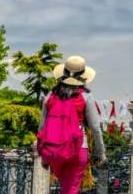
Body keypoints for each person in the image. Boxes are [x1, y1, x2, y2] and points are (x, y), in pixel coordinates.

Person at [36, 56, 106, 194]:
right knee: (70, 190)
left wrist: (44, 156)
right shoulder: (86, 97)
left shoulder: (51, 95)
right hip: (77, 148)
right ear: (83, 76)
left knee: (67, 189)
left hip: (53, 149)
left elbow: (42, 128)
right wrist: (101, 154)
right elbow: (95, 128)